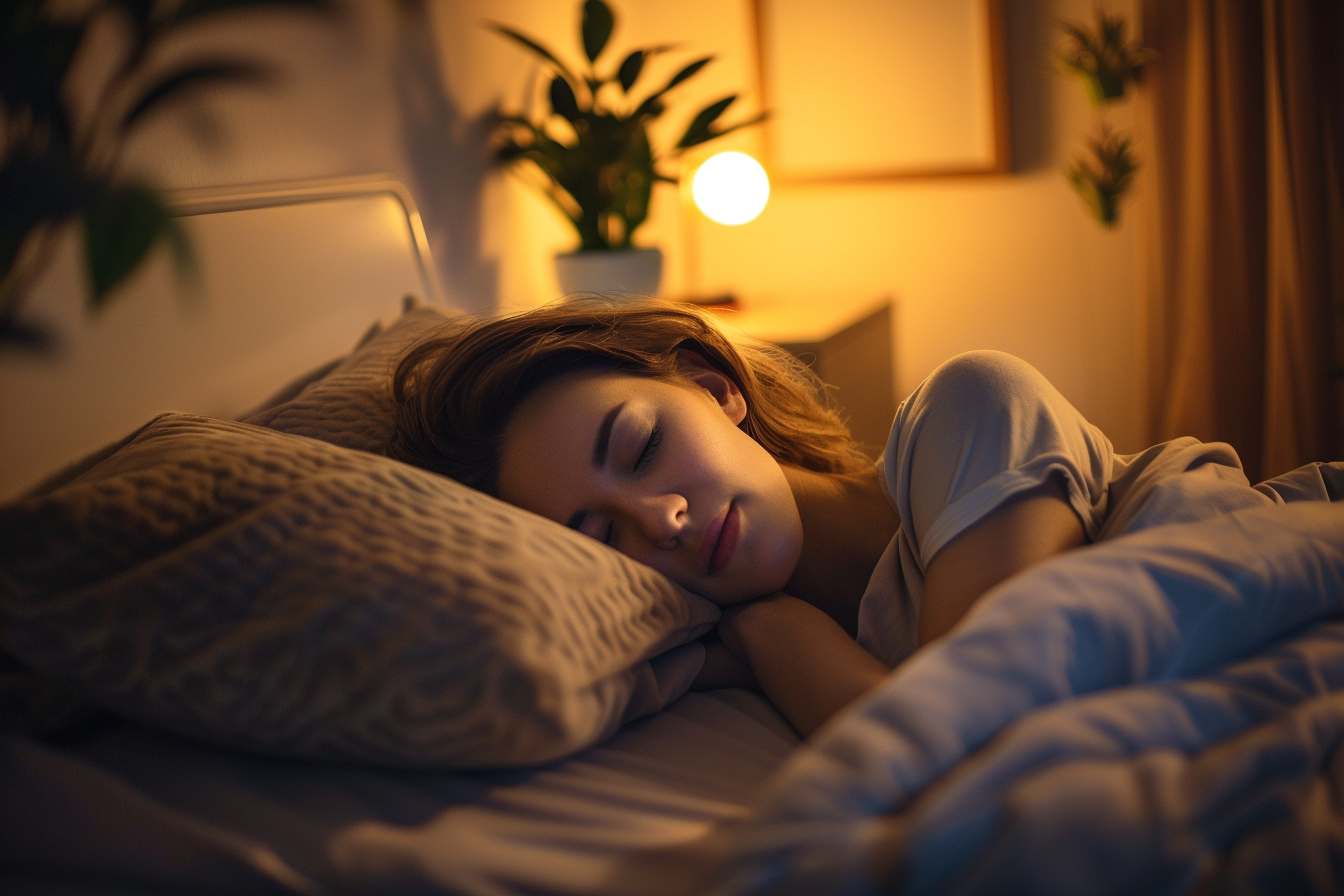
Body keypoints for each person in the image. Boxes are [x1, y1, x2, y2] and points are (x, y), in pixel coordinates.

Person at [386, 298, 1287, 737]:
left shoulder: (970, 409)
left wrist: (778, 637)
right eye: (601, 535)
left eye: (640, 446)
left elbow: (972, 735)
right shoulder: (689, 646)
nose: (660, 521)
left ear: (712, 385)